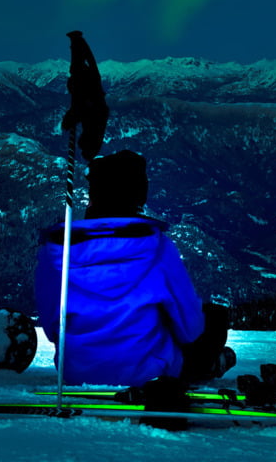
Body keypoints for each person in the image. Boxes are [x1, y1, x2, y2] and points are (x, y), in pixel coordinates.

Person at [35, 149, 235, 386]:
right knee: (213, 316)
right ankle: (211, 364)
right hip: (150, 374)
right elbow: (189, 329)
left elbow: (51, 326)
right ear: (139, 195)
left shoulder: (56, 250)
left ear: (93, 194)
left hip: (74, 372)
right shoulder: (158, 247)